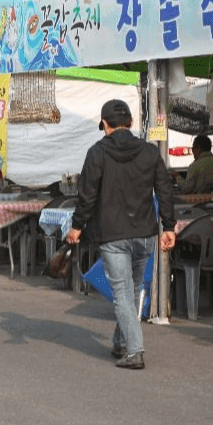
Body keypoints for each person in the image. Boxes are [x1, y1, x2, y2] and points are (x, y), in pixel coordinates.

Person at [66, 99, 176, 370]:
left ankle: (135, 350)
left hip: (113, 234)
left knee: (123, 293)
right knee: (132, 288)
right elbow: (165, 190)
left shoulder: (97, 153)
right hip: (145, 234)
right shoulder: (150, 152)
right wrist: (169, 226)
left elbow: (87, 195)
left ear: (104, 124)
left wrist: (77, 226)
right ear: (130, 123)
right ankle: (121, 342)